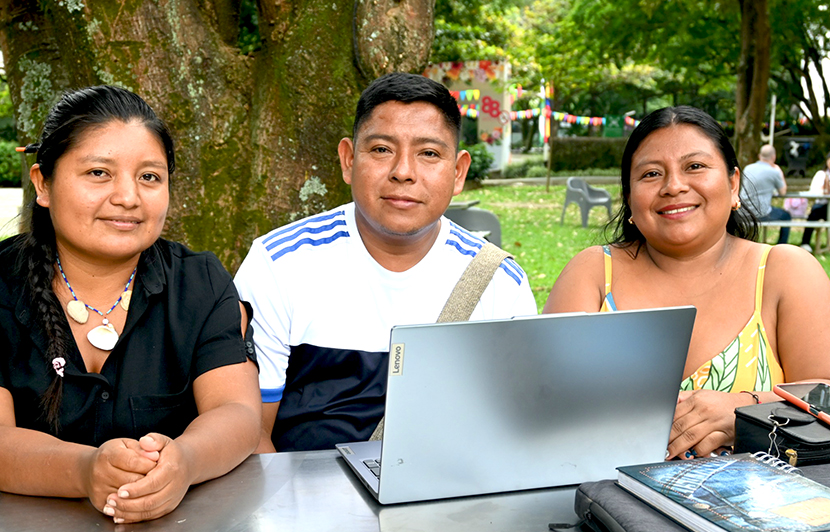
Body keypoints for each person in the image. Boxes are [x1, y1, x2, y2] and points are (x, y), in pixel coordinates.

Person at [234, 72, 536, 453]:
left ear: (458, 172)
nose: (403, 172)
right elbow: (249, 432)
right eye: (381, 149)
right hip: (303, 500)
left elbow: (512, 435)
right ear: (348, 160)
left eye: (429, 153)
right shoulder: (279, 264)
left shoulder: (499, 284)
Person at [0, 86, 261, 523]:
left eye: (149, 177)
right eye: (99, 173)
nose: (128, 197)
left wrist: (185, 462)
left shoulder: (199, 283)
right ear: (43, 183)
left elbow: (236, 411)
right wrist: (84, 471)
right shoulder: (2, 284)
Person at [543, 106, 830, 460]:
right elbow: (543, 409)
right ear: (629, 198)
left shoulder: (785, 271)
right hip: (608, 509)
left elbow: (824, 397)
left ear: (733, 183)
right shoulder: (593, 274)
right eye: (651, 173)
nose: (674, 186)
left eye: (695, 166)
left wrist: (744, 411)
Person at [741, 145, 790, 244]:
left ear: (759, 156)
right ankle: (781, 246)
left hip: (744, 211)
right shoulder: (773, 172)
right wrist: (779, 171)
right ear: (773, 157)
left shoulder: (748, 168)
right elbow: (783, 192)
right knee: (786, 216)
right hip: (762, 213)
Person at [799, 152, 830, 253]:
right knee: (814, 213)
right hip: (822, 205)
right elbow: (813, 191)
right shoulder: (821, 174)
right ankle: (805, 242)